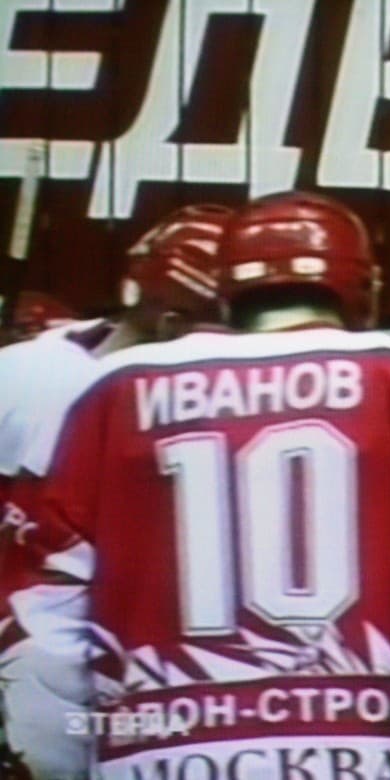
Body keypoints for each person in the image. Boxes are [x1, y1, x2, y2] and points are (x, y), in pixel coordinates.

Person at [3, 191, 390, 778]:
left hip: (157, 751)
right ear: (363, 288)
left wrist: (50, 762)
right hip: (373, 751)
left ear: (225, 292)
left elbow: (47, 615)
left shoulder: (108, 391)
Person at [0, 203, 234, 779]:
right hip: (45, 660)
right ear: (176, 322)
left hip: (137, 682)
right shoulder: (23, 374)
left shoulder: (21, 368)